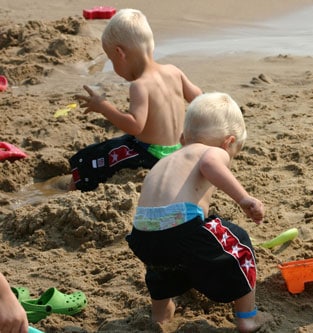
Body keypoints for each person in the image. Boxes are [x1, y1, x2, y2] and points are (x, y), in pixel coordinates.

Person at [126, 92, 270, 332]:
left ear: (183, 138)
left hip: (142, 234)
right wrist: (244, 199)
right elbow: (210, 165)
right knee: (240, 243)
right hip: (181, 225)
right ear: (228, 141)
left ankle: (161, 314)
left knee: (161, 268)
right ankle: (248, 317)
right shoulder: (212, 151)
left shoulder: (167, 160)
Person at [69, 8, 202, 191]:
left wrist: (104, 107)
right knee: (122, 141)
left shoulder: (140, 85)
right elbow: (199, 100)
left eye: (112, 60)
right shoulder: (174, 71)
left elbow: (135, 126)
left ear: (120, 53)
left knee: (90, 157)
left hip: (152, 154)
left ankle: (73, 187)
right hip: (177, 148)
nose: (114, 66)